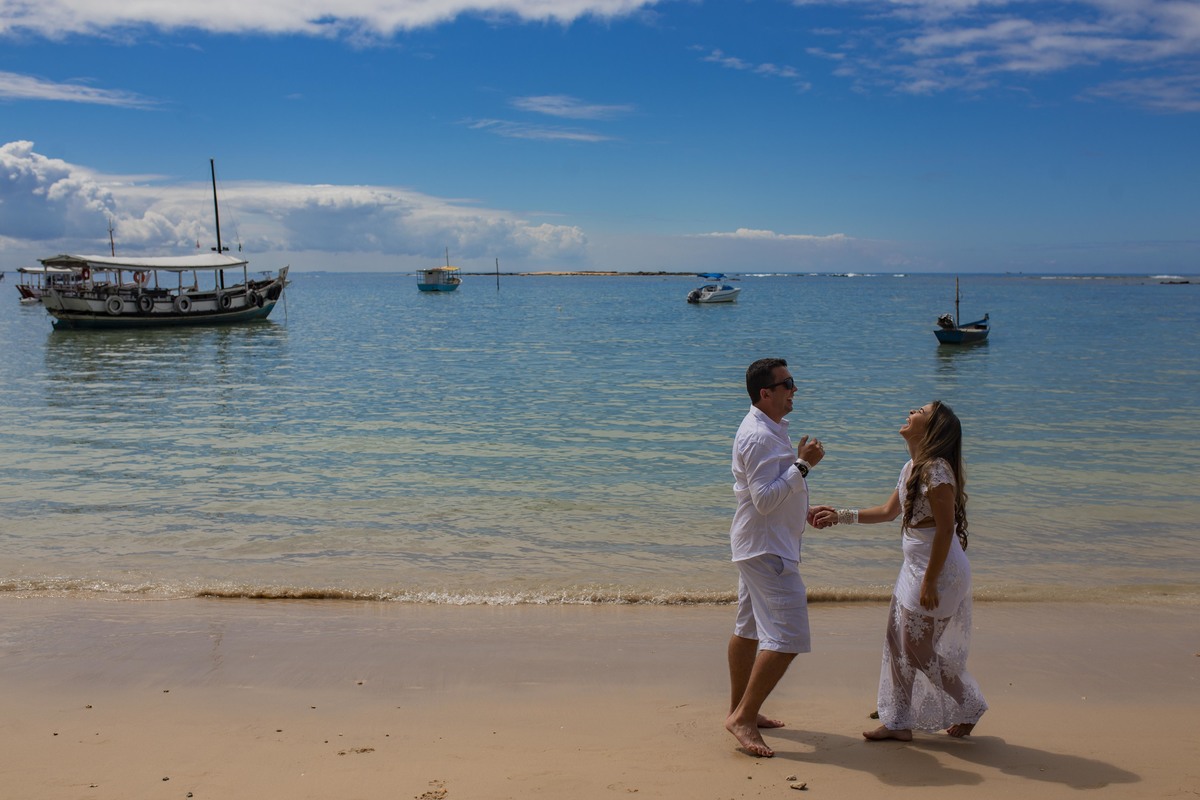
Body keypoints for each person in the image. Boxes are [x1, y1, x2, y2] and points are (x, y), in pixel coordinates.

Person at [812, 401, 987, 741]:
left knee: (918, 653)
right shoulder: (912, 466)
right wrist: (840, 515)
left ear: (932, 427)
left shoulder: (936, 471)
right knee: (897, 645)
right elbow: (889, 511)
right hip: (915, 569)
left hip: (938, 573)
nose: (910, 410)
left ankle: (971, 703)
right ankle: (899, 723)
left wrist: (930, 581)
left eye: (920, 409)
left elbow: (947, 529)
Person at [725, 357, 825, 758]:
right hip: (766, 548)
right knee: (789, 636)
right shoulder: (758, 436)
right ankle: (743, 717)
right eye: (787, 384)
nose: (794, 389)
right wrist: (804, 466)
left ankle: (741, 709)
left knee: (749, 629)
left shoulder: (769, 428)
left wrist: (802, 506)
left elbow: (767, 493)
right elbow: (764, 500)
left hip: (763, 543)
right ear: (765, 393)